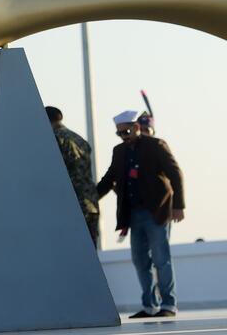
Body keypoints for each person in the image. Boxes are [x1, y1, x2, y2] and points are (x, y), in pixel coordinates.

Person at [97, 110, 185, 319]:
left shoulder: (156, 146)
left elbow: (175, 174)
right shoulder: (119, 151)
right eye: (119, 133)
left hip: (156, 211)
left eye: (126, 131)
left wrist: (178, 205)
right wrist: (87, 199)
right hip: (133, 214)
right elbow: (109, 179)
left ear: (137, 127)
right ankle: (149, 306)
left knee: (161, 258)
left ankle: (168, 305)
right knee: (139, 260)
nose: (124, 136)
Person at [45, 106, 100, 244]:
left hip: (70, 204)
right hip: (90, 203)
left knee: (71, 251)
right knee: (89, 253)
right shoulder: (80, 139)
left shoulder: (54, 139)